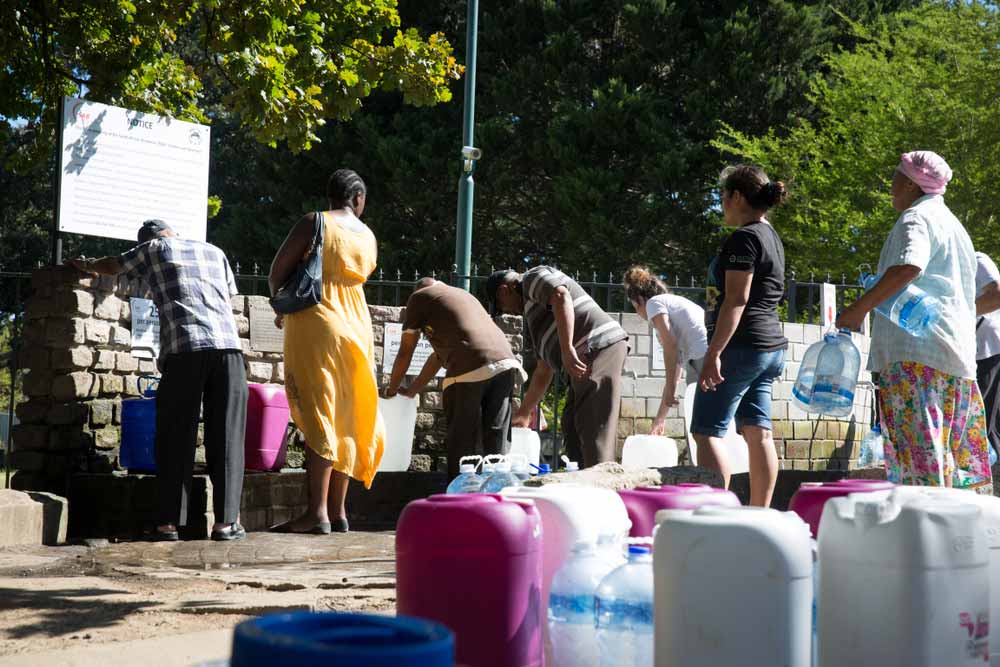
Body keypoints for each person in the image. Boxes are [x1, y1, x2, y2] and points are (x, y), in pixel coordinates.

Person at [69, 220, 248, 541]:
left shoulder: (151, 249)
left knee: (175, 437)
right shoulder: (214, 251)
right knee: (227, 438)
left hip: (185, 349)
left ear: (148, 239)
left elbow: (113, 265)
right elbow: (229, 298)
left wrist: (86, 266)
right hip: (229, 350)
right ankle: (226, 524)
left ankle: (168, 525)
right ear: (173, 231)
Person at [837, 151, 992, 490]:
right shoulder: (954, 226)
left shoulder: (916, 218)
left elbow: (909, 267)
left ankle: (927, 535)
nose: (889, 185)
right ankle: (962, 533)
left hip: (915, 358)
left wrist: (859, 309)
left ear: (909, 183)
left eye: (894, 178)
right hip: (955, 357)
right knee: (949, 457)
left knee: (920, 459)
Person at [268, 169, 386, 534]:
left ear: (331, 195)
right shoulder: (368, 236)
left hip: (317, 320)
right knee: (349, 412)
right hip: (357, 323)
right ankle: (338, 511)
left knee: (320, 409)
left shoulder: (314, 221)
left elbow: (276, 273)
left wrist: (280, 307)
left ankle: (315, 513)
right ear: (358, 198)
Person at [693, 165, 788, 507]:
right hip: (769, 348)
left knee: (706, 432)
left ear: (735, 196)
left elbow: (736, 299)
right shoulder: (770, 237)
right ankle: (760, 514)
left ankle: (717, 514)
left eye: (722, 197)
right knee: (757, 431)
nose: (721, 204)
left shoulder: (744, 238)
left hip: (742, 347)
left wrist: (713, 353)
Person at [383, 277, 526, 478]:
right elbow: (437, 358)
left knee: (462, 440)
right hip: (506, 364)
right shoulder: (462, 296)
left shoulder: (420, 297)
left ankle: (459, 496)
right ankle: (495, 495)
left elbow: (406, 350)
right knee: (496, 438)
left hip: (469, 365)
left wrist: (391, 390)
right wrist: (412, 390)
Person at [487, 267, 628, 468]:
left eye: (501, 307)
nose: (507, 313)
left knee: (592, 422)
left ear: (504, 291)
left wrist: (567, 349)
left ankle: (599, 485)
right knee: (571, 424)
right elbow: (544, 371)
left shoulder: (531, 279)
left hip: (598, 346)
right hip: (586, 352)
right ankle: (580, 478)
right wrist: (525, 412)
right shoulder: (536, 321)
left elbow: (561, 295)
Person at [623, 267, 707, 439]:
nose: (638, 314)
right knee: (708, 423)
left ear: (639, 299)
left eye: (635, 307)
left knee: (702, 428)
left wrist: (670, 389)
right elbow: (675, 364)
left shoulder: (654, 303)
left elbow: (671, 347)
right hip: (709, 356)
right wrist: (660, 418)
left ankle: (705, 466)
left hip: (702, 357)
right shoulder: (674, 303)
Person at [975, 252, 1000, 463]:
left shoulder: (977, 259)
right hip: (969, 348)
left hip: (989, 347)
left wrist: (959, 314)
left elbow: (997, 293)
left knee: (983, 413)